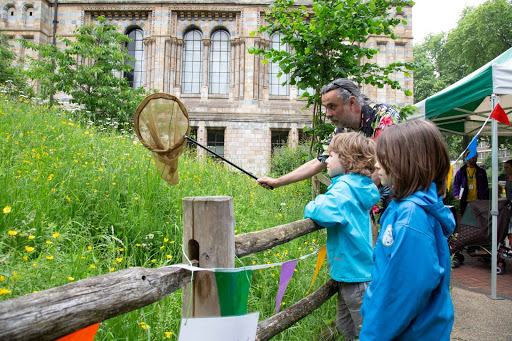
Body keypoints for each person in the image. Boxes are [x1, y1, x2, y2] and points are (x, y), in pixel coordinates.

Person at [359, 120, 455, 340]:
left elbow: (402, 292)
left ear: (406, 161)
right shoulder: (407, 207)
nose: (376, 166)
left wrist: (372, 335)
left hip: (407, 333)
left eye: (383, 159)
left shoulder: (411, 216)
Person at [257, 78, 400, 190]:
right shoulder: (342, 129)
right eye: (326, 108)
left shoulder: (383, 116)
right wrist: (278, 181)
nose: (328, 114)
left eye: (332, 106)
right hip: (364, 200)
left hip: (394, 200)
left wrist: (354, 197)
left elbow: (385, 162)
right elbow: (319, 161)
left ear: (351, 102)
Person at [304, 132, 379, 341]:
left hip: (355, 277)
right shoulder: (359, 186)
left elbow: (322, 211)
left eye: (331, 155)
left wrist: (310, 204)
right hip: (355, 273)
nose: (326, 160)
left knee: (363, 333)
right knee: (347, 328)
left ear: (347, 160)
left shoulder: (344, 190)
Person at [503, 160, 512, 248]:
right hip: (509, 208)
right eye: (504, 167)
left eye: (507, 167)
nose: (505, 170)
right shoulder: (507, 178)